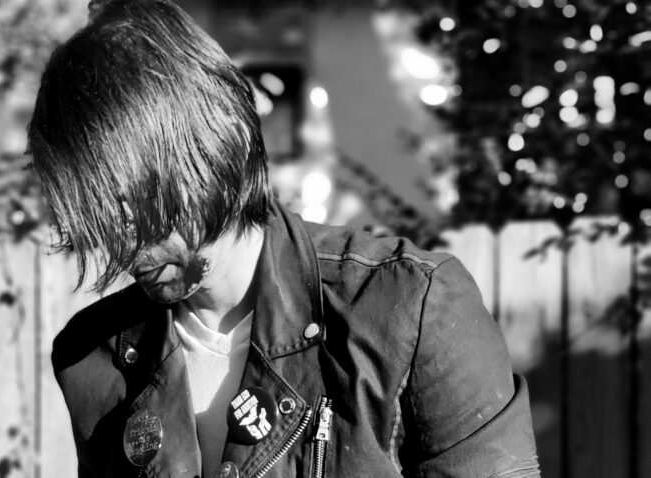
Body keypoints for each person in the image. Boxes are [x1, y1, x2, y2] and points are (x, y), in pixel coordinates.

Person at [27, 0, 540, 477]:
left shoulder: (412, 311)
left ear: (210, 150)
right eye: (99, 218)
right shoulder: (94, 355)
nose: (124, 244)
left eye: (138, 205)